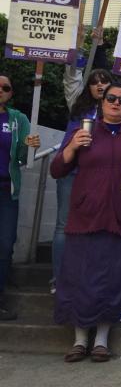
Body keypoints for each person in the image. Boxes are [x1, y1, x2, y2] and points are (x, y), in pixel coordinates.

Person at [51, 82, 121, 362]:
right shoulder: (84, 130)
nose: (116, 103)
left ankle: (101, 339)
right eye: (111, 98)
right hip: (85, 215)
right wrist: (72, 147)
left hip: (120, 216)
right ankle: (79, 339)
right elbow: (57, 169)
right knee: (79, 276)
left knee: (113, 278)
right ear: (101, 101)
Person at [52, 68, 112, 294]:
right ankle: (58, 279)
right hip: (71, 172)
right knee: (62, 227)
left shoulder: (119, 109)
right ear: (88, 87)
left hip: (97, 177)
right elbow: (70, 76)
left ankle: (83, 278)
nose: (100, 86)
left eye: (104, 81)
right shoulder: (79, 106)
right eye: (94, 82)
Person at [0, 74, 40, 320]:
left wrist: (30, 145)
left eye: (6, 87)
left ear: (11, 93)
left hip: (6, 191)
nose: (1, 90)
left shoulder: (18, 119)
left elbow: (25, 158)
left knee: (4, 246)